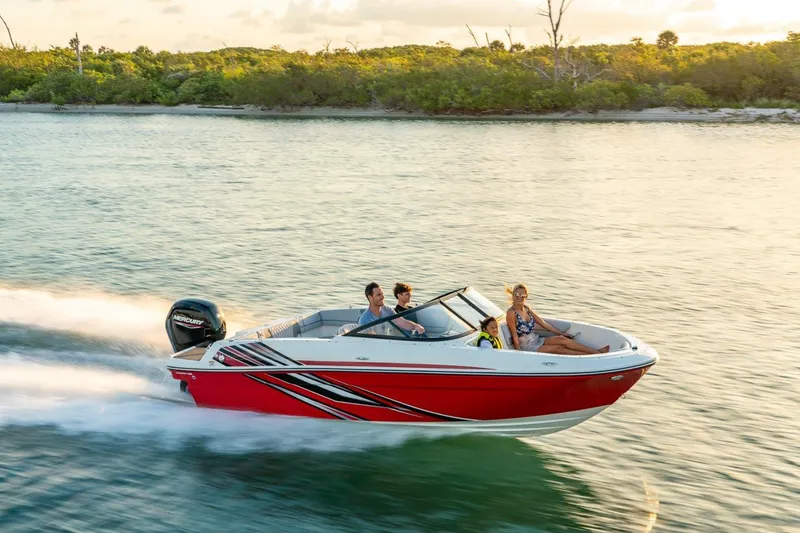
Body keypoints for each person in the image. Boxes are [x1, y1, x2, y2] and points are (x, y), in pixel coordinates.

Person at [505, 283, 609, 355]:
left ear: (526, 296)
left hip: (536, 339)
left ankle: (595, 352)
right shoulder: (511, 313)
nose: (519, 297)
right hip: (526, 346)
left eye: (522, 294)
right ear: (513, 295)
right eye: (517, 294)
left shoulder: (527, 308)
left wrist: (562, 334)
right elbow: (514, 335)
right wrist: (519, 353)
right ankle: (593, 355)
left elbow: (544, 324)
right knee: (558, 348)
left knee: (562, 339)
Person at [358, 282, 425, 334]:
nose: (382, 297)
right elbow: (372, 342)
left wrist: (416, 326)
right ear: (370, 297)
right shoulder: (365, 319)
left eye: (382, 294)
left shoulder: (387, 310)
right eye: (379, 295)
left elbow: (402, 322)